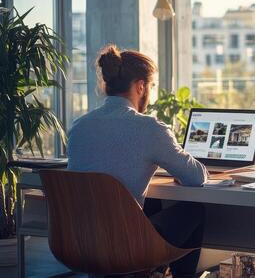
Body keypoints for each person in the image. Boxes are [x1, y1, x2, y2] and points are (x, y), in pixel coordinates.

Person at [67, 44, 208, 278]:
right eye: (150, 87)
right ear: (141, 86)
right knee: (193, 211)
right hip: (126, 246)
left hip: (79, 242)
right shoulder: (149, 128)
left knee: (151, 204)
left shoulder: (79, 126)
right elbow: (195, 177)